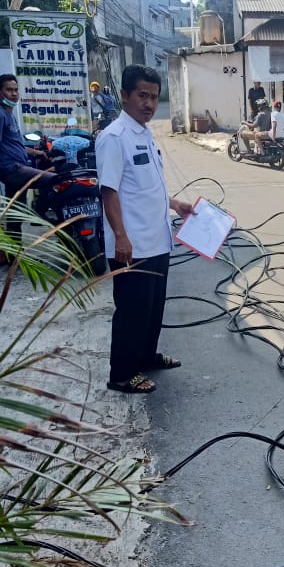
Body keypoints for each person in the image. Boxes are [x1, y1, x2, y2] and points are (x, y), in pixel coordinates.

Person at [96, 64, 195, 395]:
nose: (149, 104)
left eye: (153, 97)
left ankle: (146, 356)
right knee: (132, 312)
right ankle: (122, 374)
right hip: (132, 245)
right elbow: (109, 191)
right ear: (124, 96)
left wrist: (174, 204)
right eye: (142, 96)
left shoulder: (145, 134)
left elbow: (144, 188)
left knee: (153, 309)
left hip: (157, 241)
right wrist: (121, 237)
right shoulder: (114, 138)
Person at [0, 74, 59, 229]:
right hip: (12, 169)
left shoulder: (9, 114)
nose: (14, 93)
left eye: (16, 90)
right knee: (54, 179)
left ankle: (14, 248)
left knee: (16, 212)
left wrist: (36, 152)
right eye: (9, 90)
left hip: (17, 166)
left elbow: (13, 145)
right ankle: (39, 214)